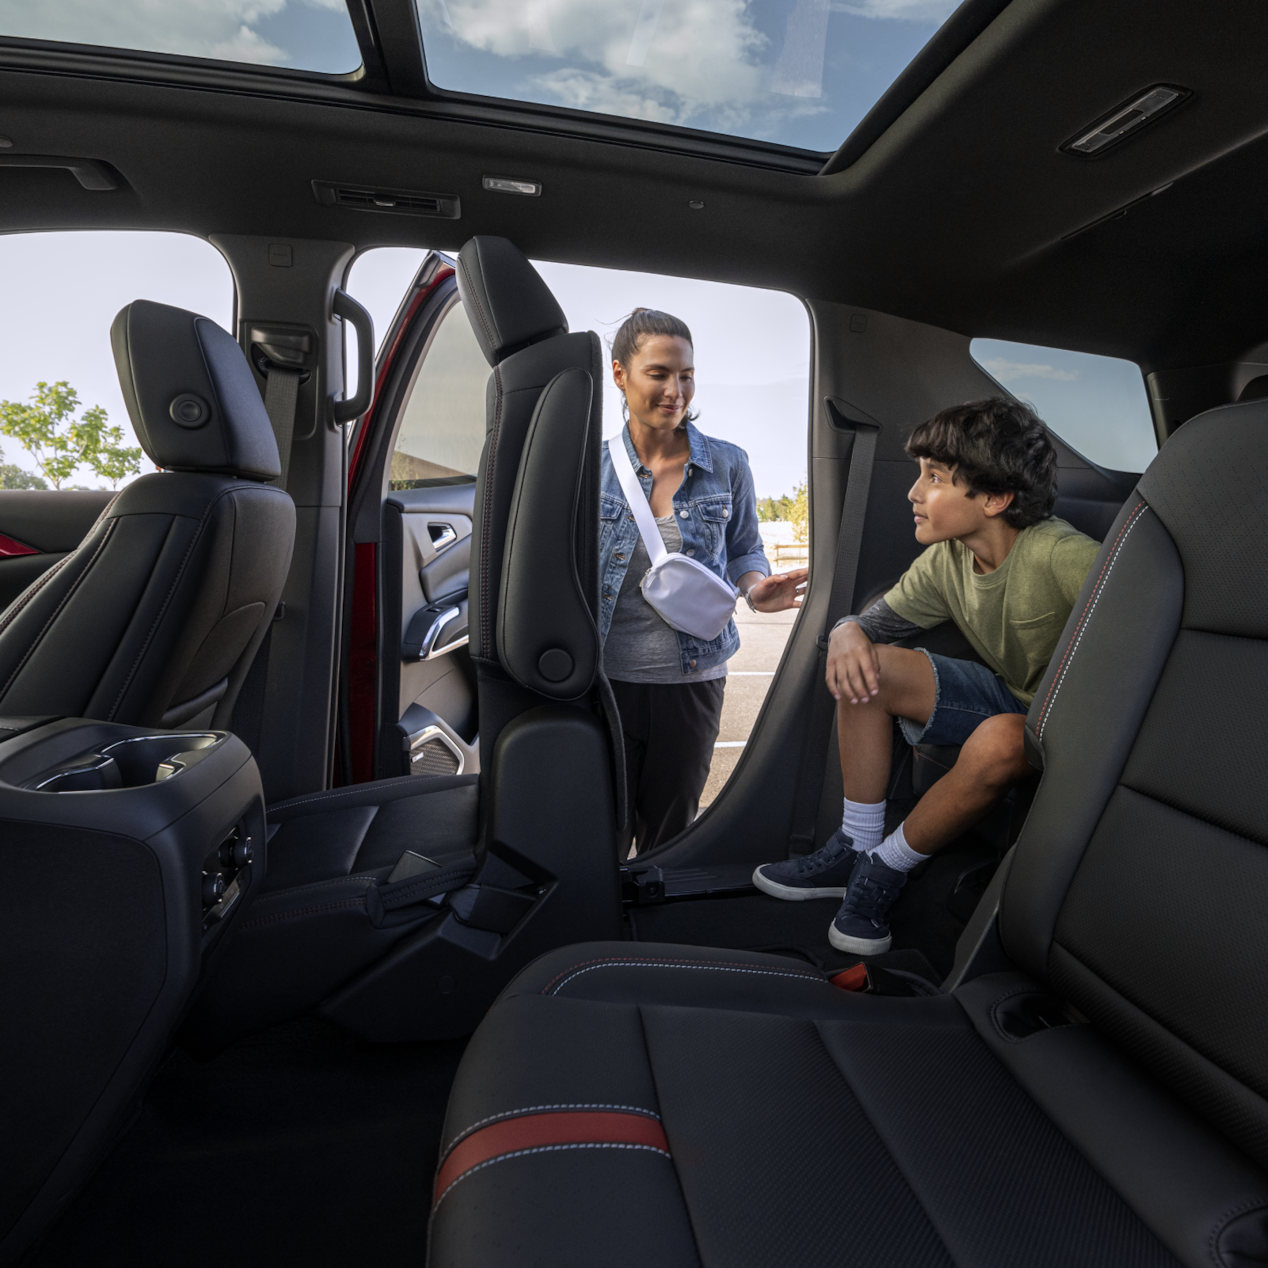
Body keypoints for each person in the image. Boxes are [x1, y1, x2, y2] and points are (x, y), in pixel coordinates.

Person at [754, 397, 1101, 953]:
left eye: (934, 478)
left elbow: (1144, 636)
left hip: (1075, 728)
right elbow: (868, 627)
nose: (914, 493)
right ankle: (856, 845)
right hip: (1012, 698)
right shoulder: (946, 562)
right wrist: (846, 630)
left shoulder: (1062, 555)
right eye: (919, 476)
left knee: (1005, 737)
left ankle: (885, 870)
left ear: (995, 497)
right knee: (871, 665)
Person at [601, 308, 806, 855]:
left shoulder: (728, 465)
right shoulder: (588, 467)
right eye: (659, 373)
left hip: (693, 679)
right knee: (600, 830)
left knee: (671, 833)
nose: (676, 390)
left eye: (686, 375)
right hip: (604, 680)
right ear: (620, 373)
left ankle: (652, 938)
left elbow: (744, 547)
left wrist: (756, 588)